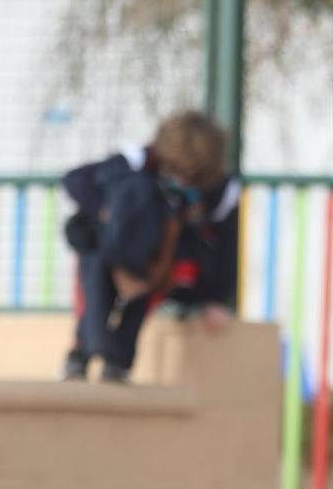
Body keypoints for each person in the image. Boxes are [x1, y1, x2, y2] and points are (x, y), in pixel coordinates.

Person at [60, 111, 238, 384]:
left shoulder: (219, 190)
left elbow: (226, 248)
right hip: (113, 246)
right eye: (176, 173)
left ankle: (118, 360)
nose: (182, 182)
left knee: (148, 287)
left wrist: (217, 299)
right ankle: (84, 351)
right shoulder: (138, 161)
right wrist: (107, 210)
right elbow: (75, 180)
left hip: (161, 262)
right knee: (97, 278)